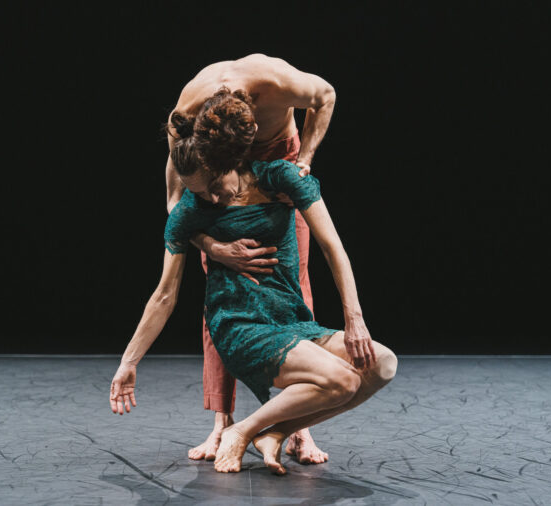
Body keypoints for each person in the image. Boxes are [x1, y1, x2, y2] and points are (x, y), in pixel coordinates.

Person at [110, 97, 397, 475]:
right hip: (240, 325)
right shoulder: (191, 212)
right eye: (200, 193)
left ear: (229, 160)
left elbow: (332, 247)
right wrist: (128, 362)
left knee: (382, 365)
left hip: (290, 320)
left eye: (214, 185)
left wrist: (354, 318)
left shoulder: (280, 179)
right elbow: (164, 295)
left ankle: (275, 434)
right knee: (342, 380)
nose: (212, 199)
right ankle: (241, 431)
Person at [164, 54, 337, 463]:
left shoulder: (277, 83)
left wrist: (304, 161)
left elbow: (326, 95)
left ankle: (298, 427)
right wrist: (212, 246)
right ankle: (221, 422)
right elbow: (174, 204)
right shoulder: (186, 114)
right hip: (216, 177)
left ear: (252, 128)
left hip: (280, 163)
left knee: (294, 285)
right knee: (221, 296)